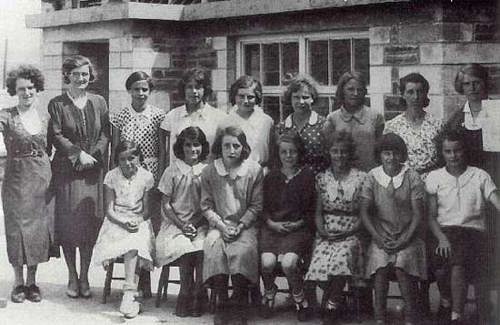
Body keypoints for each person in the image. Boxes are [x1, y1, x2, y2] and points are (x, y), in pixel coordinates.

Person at [48, 55, 110, 299]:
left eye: (85, 74)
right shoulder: (57, 104)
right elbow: (56, 134)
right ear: (68, 76)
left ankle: (85, 276)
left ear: (90, 75)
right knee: (69, 225)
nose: (81, 78)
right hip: (66, 172)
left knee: (89, 224)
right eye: (76, 74)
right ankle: (72, 276)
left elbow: (106, 132)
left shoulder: (99, 101)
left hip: (93, 172)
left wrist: (93, 155)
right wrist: (78, 154)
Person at [425, 130, 500, 325]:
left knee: (458, 262)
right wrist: (441, 237)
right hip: (443, 232)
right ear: (442, 153)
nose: (453, 156)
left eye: (457, 150)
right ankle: (447, 301)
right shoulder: (435, 177)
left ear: (464, 150)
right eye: (448, 151)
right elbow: (431, 217)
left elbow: (495, 201)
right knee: (441, 270)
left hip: (473, 232)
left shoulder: (479, 175)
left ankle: (455, 315)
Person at [360, 133, 427, 325]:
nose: (391, 158)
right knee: (380, 267)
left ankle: (410, 316)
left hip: (409, 236)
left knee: (402, 265)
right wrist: (379, 238)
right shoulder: (372, 177)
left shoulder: (412, 176)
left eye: (395, 153)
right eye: (386, 153)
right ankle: (380, 317)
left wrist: (404, 239)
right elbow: (365, 213)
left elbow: (418, 215)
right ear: (380, 155)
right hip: (381, 235)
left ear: (402, 155)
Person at [110, 70, 166, 296]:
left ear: (150, 91)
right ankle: (132, 278)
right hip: (126, 174)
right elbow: (115, 150)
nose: (141, 93)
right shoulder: (120, 116)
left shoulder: (158, 116)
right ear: (129, 91)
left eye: (145, 89)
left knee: (148, 222)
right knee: (130, 218)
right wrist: (115, 177)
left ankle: (145, 279)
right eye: (136, 89)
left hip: (149, 173)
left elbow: (162, 150)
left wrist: (160, 176)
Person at [200, 126, 264, 325]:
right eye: (226, 145)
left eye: (236, 145)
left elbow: (256, 205)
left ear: (243, 147)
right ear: (220, 147)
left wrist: (241, 226)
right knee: (214, 249)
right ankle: (223, 302)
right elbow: (206, 205)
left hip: (245, 226)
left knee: (242, 251)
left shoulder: (253, 170)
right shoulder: (210, 171)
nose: (231, 150)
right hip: (219, 226)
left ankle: (239, 301)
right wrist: (220, 226)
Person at [2, 65, 53, 303]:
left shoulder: (46, 116)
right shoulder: (5, 115)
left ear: (37, 88)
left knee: (36, 230)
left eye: (30, 88)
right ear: (14, 90)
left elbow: (52, 146)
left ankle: (32, 282)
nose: (26, 93)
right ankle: (18, 282)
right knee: (16, 229)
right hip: (14, 179)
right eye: (21, 89)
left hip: (41, 179)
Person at [305, 131, 366, 324]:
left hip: (352, 231)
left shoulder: (361, 178)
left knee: (340, 259)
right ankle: (335, 299)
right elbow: (318, 213)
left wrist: (348, 232)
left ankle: (331, 305)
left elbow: (364, 215)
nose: (339, 155)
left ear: (350, 153)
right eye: (335, 151)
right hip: (327, 231)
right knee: (318, 265)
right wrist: (323, 232)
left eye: (343, 151)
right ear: (329, 153)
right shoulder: (322, 178)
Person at [92, 141, 155, 319]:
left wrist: (137, 221)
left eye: (131, 158)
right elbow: (109, 211)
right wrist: (123, 223)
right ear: (117, 160)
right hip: (116, 220)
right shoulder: (111, 177)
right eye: (122, 159)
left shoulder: (147, 177)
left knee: (135, 240)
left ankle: (129, 292)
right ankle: (131, 294)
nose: (127, 163)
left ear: (139, 158)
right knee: (128, 240)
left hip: (139, 220)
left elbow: (147, 210)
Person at [260, 131, 315, 321]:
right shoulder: (271, 176)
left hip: (298, 229)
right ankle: (269, 292)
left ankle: (300, 299)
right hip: (273, 228)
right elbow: (263, 208)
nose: (289, 156)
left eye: (293, 152)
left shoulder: (307, 176)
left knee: (288, 263)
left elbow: (311, 210)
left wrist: (298, 224)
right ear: (279, 154)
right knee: (267, 262)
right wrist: (272, 224)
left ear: (299, 153)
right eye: (284, 152)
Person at [155, 127, 209, 317]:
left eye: (197, 145)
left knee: (202, 246)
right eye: (188, 145)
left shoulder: (207, 171)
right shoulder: (172, 170)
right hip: (174, 224)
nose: (192, 149)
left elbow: (208, 205)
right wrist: (182, 225)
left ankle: (198, 291)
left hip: (200, 223)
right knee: (184, 247)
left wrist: (194, 223)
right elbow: (166, 205)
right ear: (181, 147)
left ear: (202, 147)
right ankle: (185, 290)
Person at [160, 67, 226, 167]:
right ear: (184, 89)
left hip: (206, 177)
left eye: (198, 87)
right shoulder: (172, 116)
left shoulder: (219, 117)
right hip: (178, 176)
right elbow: (164, 153)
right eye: (189, 87)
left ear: (205, 89)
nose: (194, 91)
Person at [384, 72, 443, 180]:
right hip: (403, 181)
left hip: (433, 180)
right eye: (410, 92)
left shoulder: (437, 125)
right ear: (403, 94)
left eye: (419, 92)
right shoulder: (392, 126)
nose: (415, 97)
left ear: (425, 94)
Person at [322, 71, 384, 172]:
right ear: (342, 91)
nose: (355, 93)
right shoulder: (332, 119)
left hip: (370, 175)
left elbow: (381, 151)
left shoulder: (375, 117)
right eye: (350, 89)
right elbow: (327, 152)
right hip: (342, 176)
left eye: (359, 90)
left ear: (364, 92)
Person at [276, 74, 328, 174]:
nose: (301, 101)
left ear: (312, 98)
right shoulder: (281, 128)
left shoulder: (323, 124)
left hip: (317, 181)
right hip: (291, 182)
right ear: (290, 99)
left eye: (305, 97)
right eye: (296, 97)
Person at [222, 75, 274, 170]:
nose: (245, 101)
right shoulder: (226, 122)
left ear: (257, 98)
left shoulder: (266, 121)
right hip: (234, 172)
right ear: (234, 97)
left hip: (261, 172)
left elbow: (273, 152)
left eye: (250, 97)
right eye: (241, 96)